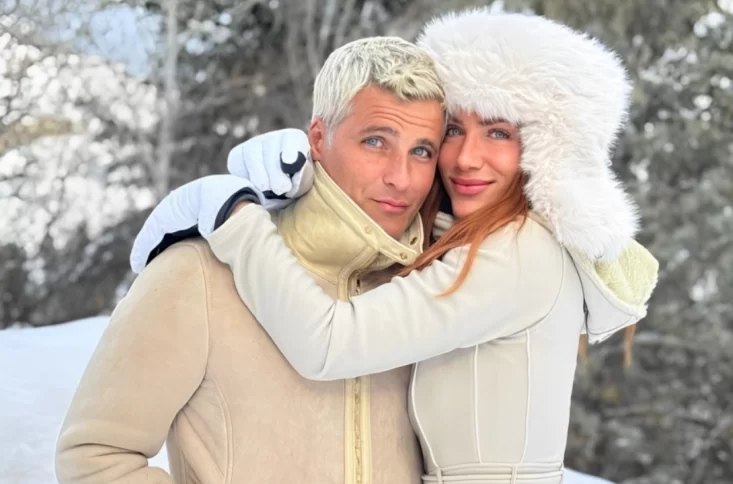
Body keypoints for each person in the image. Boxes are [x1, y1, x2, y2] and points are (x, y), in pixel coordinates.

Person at [132, 10, 659, 484]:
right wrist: (308, 176)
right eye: (453, 130)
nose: (466, 159)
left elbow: (331, 344)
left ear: (547, 150)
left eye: (498, 132)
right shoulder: (469, 242)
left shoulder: (518, 254)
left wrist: (238, 218)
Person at [55, 37, 447, 484]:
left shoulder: (429, 286)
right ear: (318, 138)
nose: (401, 177)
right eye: (376, 141)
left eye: (422, 151)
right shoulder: (200, 272)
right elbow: (95, 457)